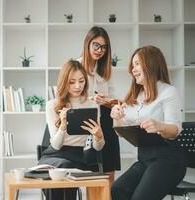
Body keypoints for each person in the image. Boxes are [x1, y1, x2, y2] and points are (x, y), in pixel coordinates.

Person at [110, 46, 186, 200]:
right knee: (117, 189)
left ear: (151, 64)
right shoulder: (135, 96)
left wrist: (160, 126)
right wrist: (116, 117)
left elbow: (175, 130)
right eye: (133, 65)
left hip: (168, 160)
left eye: (137, 64)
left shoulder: (169, 92)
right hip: (145, 160)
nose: (133, 69)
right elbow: (121, 130)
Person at [38, 59, 105, 200]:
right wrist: (63, 126)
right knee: (62, 168)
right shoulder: (52, 105)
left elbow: (98, 147)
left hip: (77, 157)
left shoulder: (92, 104)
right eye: (72, 82)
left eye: (81, 81)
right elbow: (56, 145)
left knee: (65, 169)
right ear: (64, 82)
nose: (77, 86)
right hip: (53, 156)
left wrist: (99, 136)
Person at [78, 26, 120, 183]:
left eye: (103, 47)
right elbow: (67, 98)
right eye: (96, 45)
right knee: (91, 174)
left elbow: (115, 101)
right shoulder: (76, 65)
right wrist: (91, 99)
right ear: (88, 43)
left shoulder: (106, 69)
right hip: (85, 119)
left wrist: (107, 101)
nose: (100, 50)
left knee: (108, 172)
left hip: (106, 120)